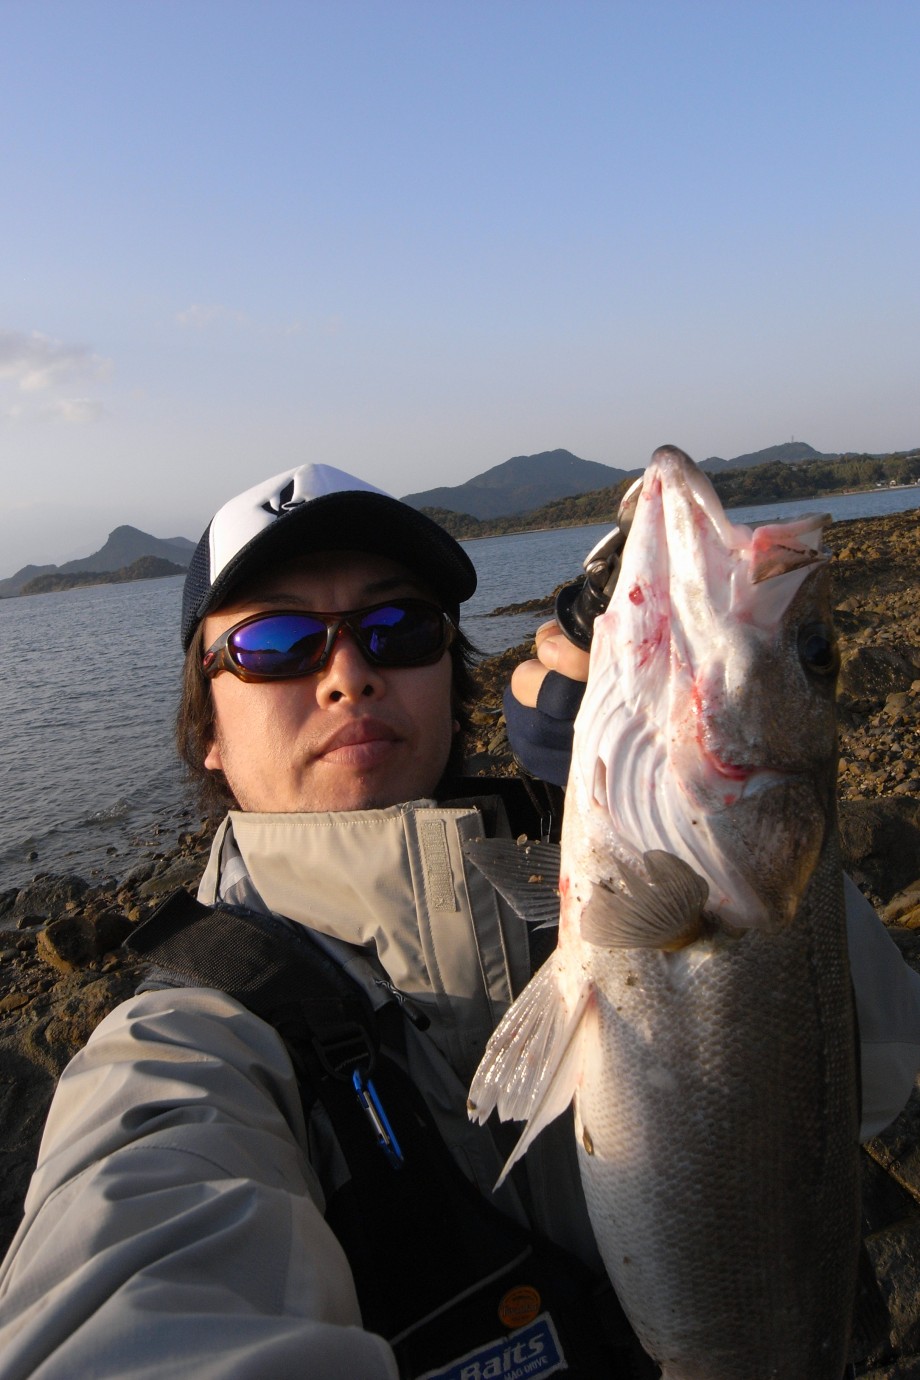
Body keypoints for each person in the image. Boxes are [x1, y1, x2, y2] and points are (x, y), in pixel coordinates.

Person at [0, 461, 917, 1380]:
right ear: (206, 728)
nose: (350, 675)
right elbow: (127, 1293)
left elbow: (879, 1077)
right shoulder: (184, 1049)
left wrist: (669, 823)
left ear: (452, 674)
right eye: (276, 642)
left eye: (398, 628)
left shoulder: (583, 864)